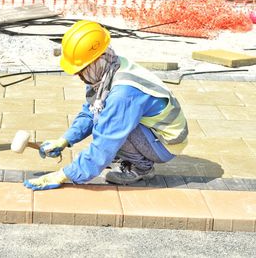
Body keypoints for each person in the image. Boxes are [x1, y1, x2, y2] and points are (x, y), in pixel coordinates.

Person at [24, 20, 188, 191]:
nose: (79, 76)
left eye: (81, 71)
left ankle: (142, 168)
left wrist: (64, 174)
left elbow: (106, 142)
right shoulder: (107, 69)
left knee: (108, 126)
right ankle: (130, 155)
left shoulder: (123, 94)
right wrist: (65, 140)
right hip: (150, 130)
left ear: (96, 62)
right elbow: (91, 110)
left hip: (166, 143)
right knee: (103, 118)